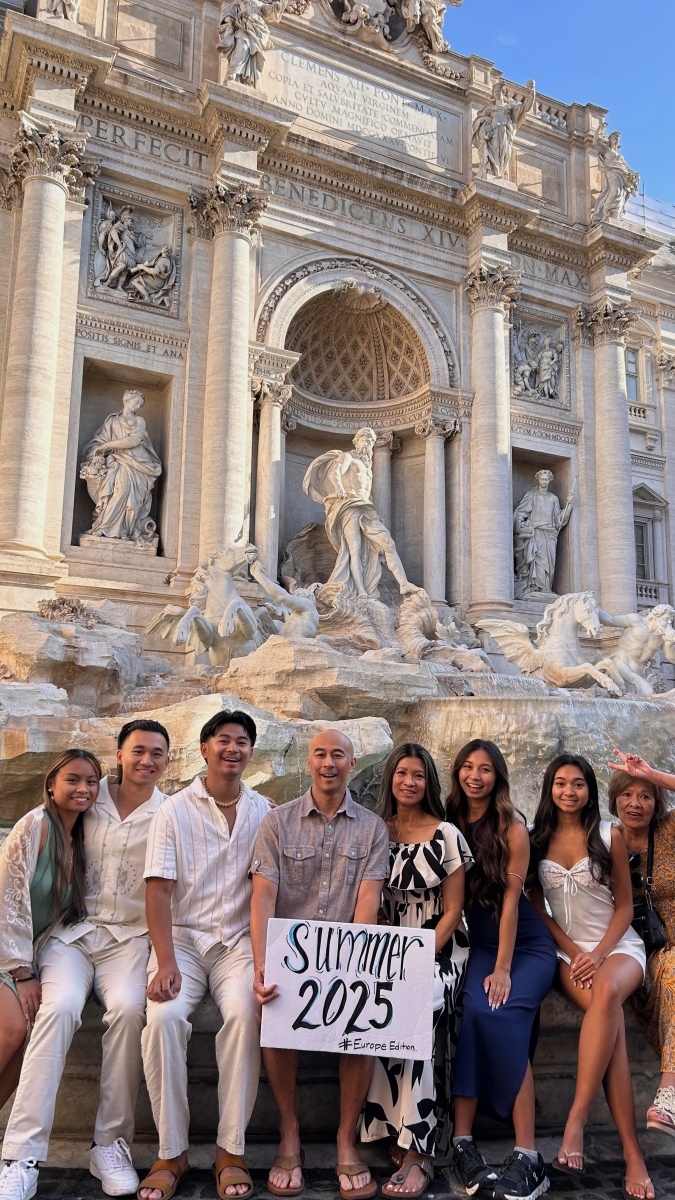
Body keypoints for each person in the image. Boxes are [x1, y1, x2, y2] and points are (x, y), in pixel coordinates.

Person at [1, 720, 170, 1200]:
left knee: (129, 1011)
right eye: (138, 750)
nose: (146, 760)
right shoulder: (88, 800)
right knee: (57, 1009)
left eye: (157, 753)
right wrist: (21, 968)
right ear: (120, 755)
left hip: (129, 940)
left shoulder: (171, 812)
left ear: (168, 761)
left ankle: (109, 1144)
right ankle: (20, 1155)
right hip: (71, 935)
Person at [250, 728, 390, 1200]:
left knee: (363, 1019)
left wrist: (356, 967)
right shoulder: (277, 823)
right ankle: (290, 1132)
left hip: (346, 954)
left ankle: (346, 1138)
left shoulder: (373, 828)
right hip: (290, 957)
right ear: (309, 762)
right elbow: (263, 895)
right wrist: (263, 963)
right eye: (320, 755)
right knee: (271, 1009)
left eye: (338, 755)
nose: (329, 763)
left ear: (352, 763)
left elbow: (368, 901)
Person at [138, 710, 271, 1200]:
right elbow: (158, 891)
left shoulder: (265, 811)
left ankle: (230, 1150)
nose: (233, 749)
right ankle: (171, 1152)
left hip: (239, 943)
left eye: (242, 741)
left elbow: (270, 888)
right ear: (205, 749)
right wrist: (165, 961)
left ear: (250, 752)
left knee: (245, 1015)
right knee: (163, 1018)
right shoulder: (173, 811)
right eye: (223, 740)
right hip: (183, 942)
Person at [530, 754, 653, 1200]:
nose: (569, 791)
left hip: (617, 948)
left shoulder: (608, 835)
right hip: (569, 955)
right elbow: (537, 908)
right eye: (561, 783)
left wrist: (599, 954)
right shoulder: (535, 838)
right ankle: (633, 1155)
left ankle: (576, 1118)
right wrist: (574, 951)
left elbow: (624, 908)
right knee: (610, 1018)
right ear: (550, 788)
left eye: (578, 784)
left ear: (589, 790)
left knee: (607, 995)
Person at [360, 744, 472, 1198]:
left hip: (439, 946)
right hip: (390, 947)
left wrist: (422, 955)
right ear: (390, 778)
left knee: (417, 1005)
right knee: (373, 1003)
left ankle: (419, 1149)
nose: (409, 782)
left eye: (419, 775)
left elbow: (454, 910)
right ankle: (391, 1123)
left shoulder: (446, 834)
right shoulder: (376, 831)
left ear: (429, 783)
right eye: (402, 773)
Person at [447, 739, 557, 1200]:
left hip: (525, 947)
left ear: (498, 777)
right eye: (468, 767)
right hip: (479, 946)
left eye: (486, 769)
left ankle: (528, 1155)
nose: (475, 776)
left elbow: (512, 902)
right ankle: (462, 1143)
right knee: (474, 1011)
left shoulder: (511, 827)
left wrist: (505, 968)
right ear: (457, 772)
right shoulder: (447, 820)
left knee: (505, 1012)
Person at [0, 750, 101, 1117]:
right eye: (72, 780)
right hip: (7, 953)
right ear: (51, 784)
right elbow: (7, 901)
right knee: (13, 1030)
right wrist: (22, 973)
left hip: (30, 955)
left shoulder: (84, 836)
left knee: (23, 1043)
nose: (83, 788)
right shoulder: (35, 825)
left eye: (91, 781)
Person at [609, 749, 675, 1138]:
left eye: (645, 795)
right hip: (637, 953)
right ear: (614, 800)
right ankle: (669, 1094)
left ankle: (668, 1095)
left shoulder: (668, 831)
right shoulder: (604, 839)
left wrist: (653, 774)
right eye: (627, 794)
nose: (636, 803)